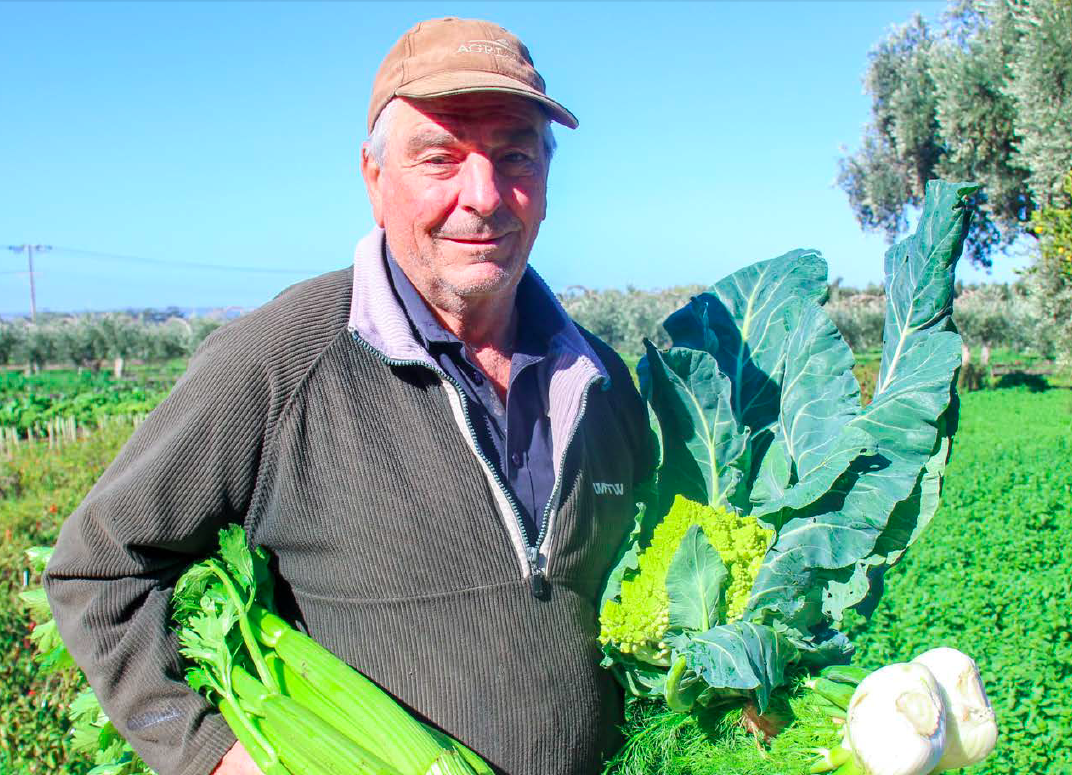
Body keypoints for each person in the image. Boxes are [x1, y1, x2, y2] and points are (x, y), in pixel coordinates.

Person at [46, 17, 653, 775]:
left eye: (514, 155)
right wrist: (213, 754)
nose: (485, 194)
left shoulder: (600, 380)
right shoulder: (279, 362)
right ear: (374, 179)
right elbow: (99, 566)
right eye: (442, 158)